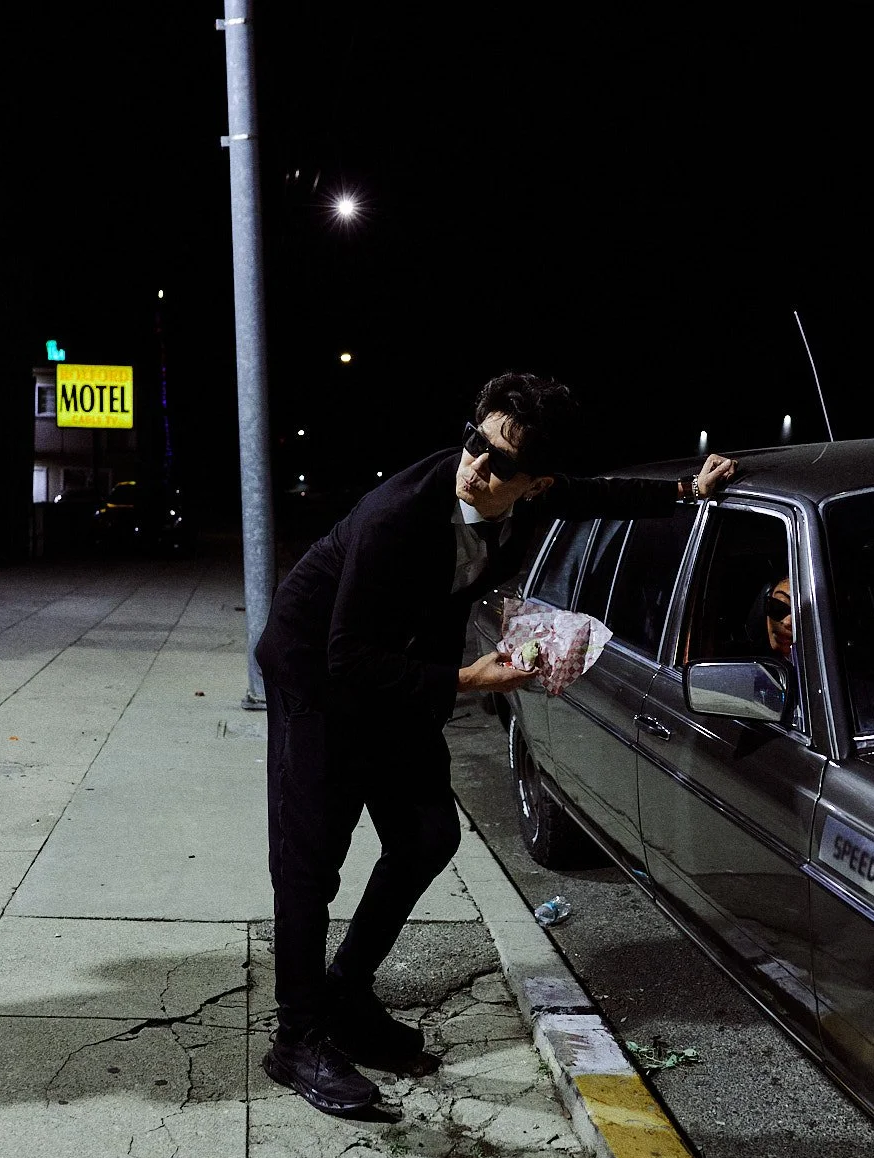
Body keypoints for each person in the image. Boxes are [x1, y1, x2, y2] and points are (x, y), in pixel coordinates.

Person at [254, 373, 737, 1114]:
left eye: (501, 463)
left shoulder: (538, 498)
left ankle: (345, 995)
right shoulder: (395, 516)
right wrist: (470, 679)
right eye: (476, 443)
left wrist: (684, 491)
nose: (477, 466)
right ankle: (297, 1040)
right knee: (309, 861)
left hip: (400, 668)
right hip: (316, 672)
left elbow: (601, 495)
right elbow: (347, 656)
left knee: (426, 836)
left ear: (535, 482)